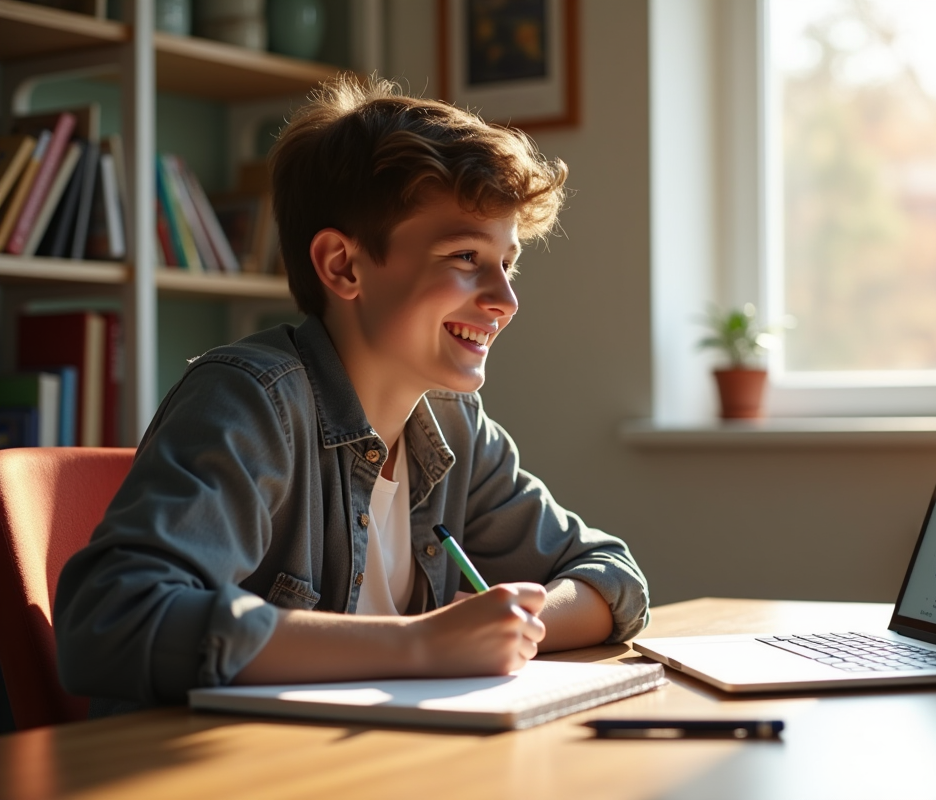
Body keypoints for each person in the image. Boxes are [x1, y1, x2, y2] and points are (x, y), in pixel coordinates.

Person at [54, 74, 650, 716]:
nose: (505, 300)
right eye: (464, 256)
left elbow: (612, 578)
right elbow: (114, 622)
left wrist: (509, 627)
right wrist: (421, 645)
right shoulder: (254, 402)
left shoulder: (453, 427)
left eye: (508, 263)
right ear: (343, 265)